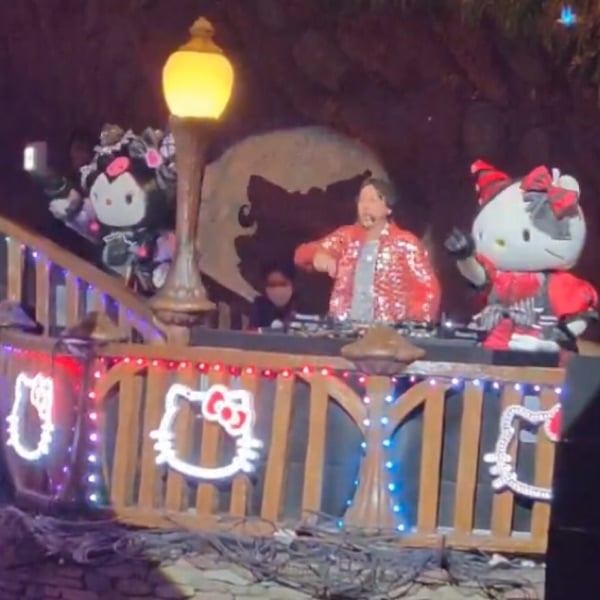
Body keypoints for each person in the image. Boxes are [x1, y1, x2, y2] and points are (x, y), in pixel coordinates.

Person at [294, 177, 440, 323]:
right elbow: (302, 254)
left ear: (388, 208)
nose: (365, 206)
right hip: (346, 327)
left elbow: (427, 288)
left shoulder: (405, 243)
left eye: (372, 200)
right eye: (362, 200)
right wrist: (317, 256)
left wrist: (413, 321)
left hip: (387, 331)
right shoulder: (346, 237)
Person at [250, 262, 297, 328]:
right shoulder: (259, 307)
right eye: (272, 285)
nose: (278, 289)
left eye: (283, 284)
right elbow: (252, 331)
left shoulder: (302, 306)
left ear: (293, 285)